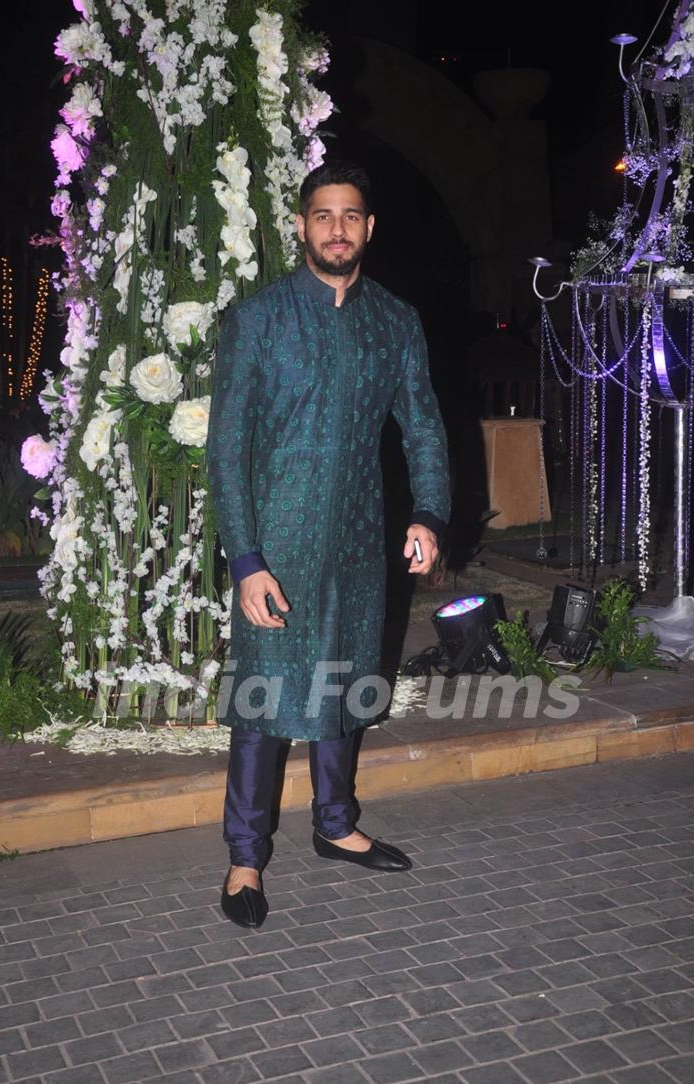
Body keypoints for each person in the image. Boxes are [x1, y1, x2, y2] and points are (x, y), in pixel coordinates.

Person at [206, 161, 451, 929]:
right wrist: (244, 558)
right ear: (301, 225)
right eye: (322, 215)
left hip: (355, 540)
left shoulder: (395, 320)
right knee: (264, 700)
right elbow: (227, 448)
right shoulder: (260, 318)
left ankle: (336, 825)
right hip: (274, 544)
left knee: (345, 687)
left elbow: (422, 425)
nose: (337, 228)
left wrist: (431, 513)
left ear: (368, 228)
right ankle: (246, 858)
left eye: (350, 215)